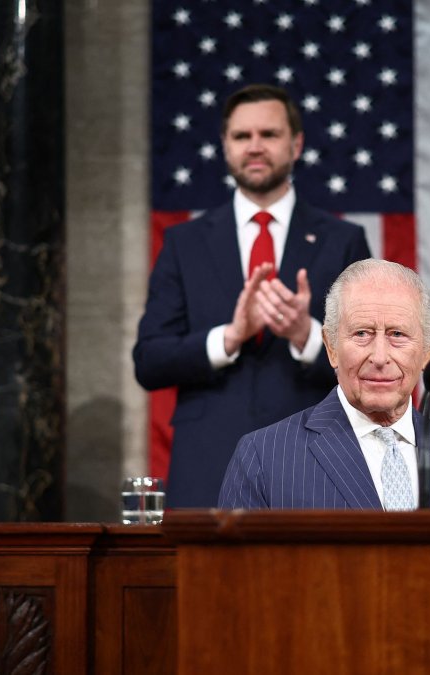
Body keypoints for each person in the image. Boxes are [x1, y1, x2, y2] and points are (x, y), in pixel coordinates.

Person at [134, 84, 371, 508]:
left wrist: (307, 334)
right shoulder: (183, 243)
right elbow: (149, 361)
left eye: (269, 134)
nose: (255, 147)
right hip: (208, 465)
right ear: (225, 147)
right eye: (242, 137)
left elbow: (372, 358)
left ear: (296, 144)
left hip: (318, 461)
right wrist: (229, 336)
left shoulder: (343, 241)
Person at [219, 259, 430, 510]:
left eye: (397, 334)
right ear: (331, 347)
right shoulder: (264, 456)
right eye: (362, 333)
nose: (379, 357)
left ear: (429, 349)